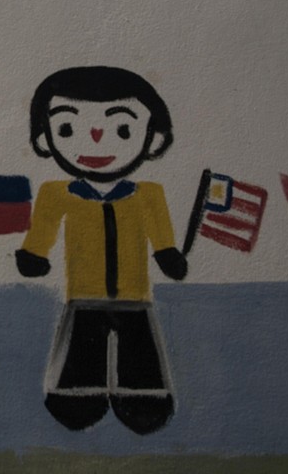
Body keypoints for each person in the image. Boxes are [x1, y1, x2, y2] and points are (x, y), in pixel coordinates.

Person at [16, 66, 187, 435]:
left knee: (140, 351)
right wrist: (34, 255)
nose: (95, 142)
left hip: (136, 298)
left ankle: (145, 397)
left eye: (122, 129)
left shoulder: (148, 196)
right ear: (45, 137)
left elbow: (162, 238)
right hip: (82, 297)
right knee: (80, 351)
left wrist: (168, 255)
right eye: (67, 129)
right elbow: (42, 231)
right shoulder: (57, 194)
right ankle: (76, 397)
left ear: (153, 138)